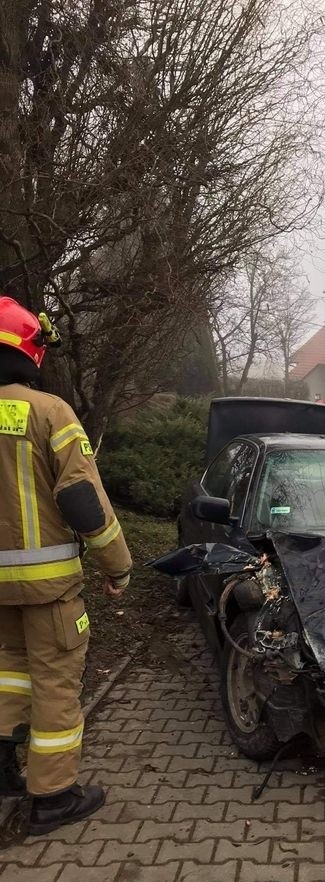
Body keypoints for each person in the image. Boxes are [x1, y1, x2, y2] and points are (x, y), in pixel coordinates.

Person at [0, 297, 132, 834]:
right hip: (49, 589)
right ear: (32, 350)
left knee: (5, 674)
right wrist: (117, 565)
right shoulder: (49, 412)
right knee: (55, 684)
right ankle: (52, 797)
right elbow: (82, 501)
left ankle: (4, 772)